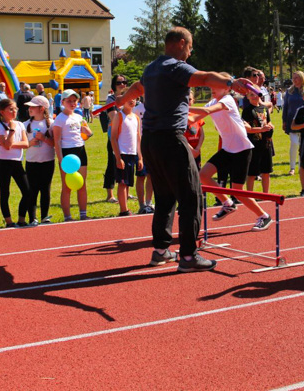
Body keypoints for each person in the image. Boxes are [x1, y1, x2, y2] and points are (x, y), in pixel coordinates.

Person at [114, 26, 255, 271]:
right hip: (170, 138)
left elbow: (138, 86)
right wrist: (231, 82)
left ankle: (160, 251)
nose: (190, 53)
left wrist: (122, 98)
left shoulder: (152, 68)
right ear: (180, 43)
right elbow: (204, 77)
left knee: (165, 197)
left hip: (150, 141)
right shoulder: (175, 67)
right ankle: (188, 256)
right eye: (189, 48)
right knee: (191, 196)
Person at [197, 81, 273, 232]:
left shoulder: (228, 100)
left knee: (237, 189)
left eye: (215, 86)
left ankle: (264, 216)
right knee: (203, 175)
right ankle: (227, 203)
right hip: (228, 148)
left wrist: (183, 109)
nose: (212, 89)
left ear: (226, 88)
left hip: (241, 149)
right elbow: (199, 114)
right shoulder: (212, 101)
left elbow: (209, 110)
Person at [53, 89, 93, 221]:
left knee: (82, 184)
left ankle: (83, 214)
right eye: (69, 101)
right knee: (67, 187)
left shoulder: (79, 117)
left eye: (74, 101)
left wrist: (88, 133)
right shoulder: (59, 119)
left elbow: (84, 136)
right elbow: (57, 141)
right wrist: (60, 159)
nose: (72, 103)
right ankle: (67, 216)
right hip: (67, 154)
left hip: (80, 151)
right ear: (63, 102)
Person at [0, 98, 32, 227]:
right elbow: (6, 146)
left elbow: (26, 144)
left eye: (15, 108)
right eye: (10, 109)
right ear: (2, 112)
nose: (14, 111)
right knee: (5, 192)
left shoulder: (20, 124)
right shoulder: (0, 127)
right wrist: (11, 131)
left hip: (17, 162)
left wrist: (8, 144)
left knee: (27, 191)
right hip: (4, 163)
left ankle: (21, 219)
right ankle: (9, 221)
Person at [24, 95, 56, 223]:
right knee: (32, 190)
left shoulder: (51, 124)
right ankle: (32, 218)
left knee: (45, 189)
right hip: (31, 162)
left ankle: (44, 216)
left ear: (42, 109)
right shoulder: (26, 124)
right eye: (29, 107)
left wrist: (44, 138)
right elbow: (24, 144)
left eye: (33, 107)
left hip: (48, 161)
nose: (29, 109)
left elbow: (55, 143)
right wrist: (32, 142)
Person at [110, 96, 142, 217]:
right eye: (129, 98)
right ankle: (123, 209)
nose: (132, 100)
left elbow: (138, 138)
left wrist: (140, 157)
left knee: (128, 182)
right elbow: (113, 137)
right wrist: (118, 158)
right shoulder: (119, 116)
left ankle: (126, 207)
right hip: (122, 153)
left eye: (135, 98)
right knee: (122, 182)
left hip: (132, 153)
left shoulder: (136, 118)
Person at [242, 89, 274, 193]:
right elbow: (246, 128)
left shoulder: (264, 108)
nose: (254, 97)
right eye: (251, 95)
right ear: (247, 96)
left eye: (256, 94)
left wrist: (270, 126)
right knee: (252, 172)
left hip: (265, 143)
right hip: (253, 143)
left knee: (266, 171)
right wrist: (261, 129)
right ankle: (250, 195)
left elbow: (268, 121)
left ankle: (266, 194)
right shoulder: (247, 110)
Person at [103, 75, 128, 204]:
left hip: (127, 136)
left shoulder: (129, 98)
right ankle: (110, 194)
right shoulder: (110, 100)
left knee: (127, 163)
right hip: (114, 136)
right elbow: (113, 117)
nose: (122, 84)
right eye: (119, 82)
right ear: (114, 84)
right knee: (112, 164)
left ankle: (125, 193)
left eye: (124, 82)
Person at [282, 71, 304, 176]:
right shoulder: (289, 91)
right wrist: (284, 121)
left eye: (297, 77)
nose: (294, 80)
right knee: (294, 143)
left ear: (302, 79)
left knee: (302, 145)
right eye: (293, 78)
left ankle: (301, 166)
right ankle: (292, 167)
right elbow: (285, 107)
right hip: (291, 121)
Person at [183, 90, 206, 171]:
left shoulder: (197, 115)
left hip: (196, 151)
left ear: (193, 100)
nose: (187, 101)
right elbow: (180, 135)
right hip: (185, 150)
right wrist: (191, 150)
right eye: (185, 99)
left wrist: (197, 149)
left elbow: (202, 134)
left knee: (197, 172)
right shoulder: (180, 115)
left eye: (189, 99)